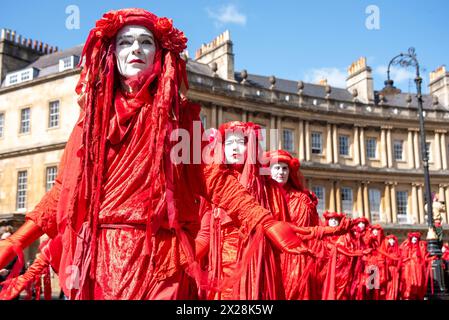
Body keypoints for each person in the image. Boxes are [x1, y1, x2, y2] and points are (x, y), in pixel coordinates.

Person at [0, 8, 306, 300]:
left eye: (146, 42)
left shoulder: (179, 119)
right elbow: (65, 190)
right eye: (125, 41)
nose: (136, 48)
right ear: (112, 53)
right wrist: (18, 239)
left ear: (159, 55)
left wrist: (265, 221)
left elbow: (211, 178)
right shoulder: (92, 120)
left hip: (159, 259)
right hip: (102, 256)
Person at [195, 122, 310, 300]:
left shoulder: (268, 188)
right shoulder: (213, 184)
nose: (234, 147)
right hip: (220, 273)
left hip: (255, 271)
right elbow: (205, 234)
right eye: (229, 142)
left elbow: (282, 228)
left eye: (240, 142)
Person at [265, 151, 350, 299]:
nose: (281, 172)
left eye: (285, 169)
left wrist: (333, 231)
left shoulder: (301, 200)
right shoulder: (260, 195)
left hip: (293, 259)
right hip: (266, 258)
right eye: (277, 168)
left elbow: (306, 232)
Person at [399, 232, 428, 300]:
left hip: (417, 268)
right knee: (409, 284)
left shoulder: (421, 247)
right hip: (409, 269)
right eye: (413, 238)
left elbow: (424, 257)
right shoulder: (406, 246)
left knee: (418, 284)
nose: (414, 239)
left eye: (416, 238)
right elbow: (402, 257)